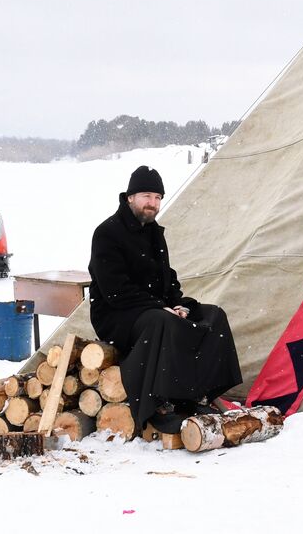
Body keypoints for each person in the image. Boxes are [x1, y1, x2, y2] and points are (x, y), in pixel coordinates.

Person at [88, 166, 242, 434]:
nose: (153, 203)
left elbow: (167, 278)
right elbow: (115, 290)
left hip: (154, 308)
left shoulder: (155, 233)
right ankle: (158, 403)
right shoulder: (107, 233)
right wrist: (162, 308)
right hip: (117, 314)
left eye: (158, 197)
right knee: (162, 322)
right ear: (130, 198)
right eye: (147, 196)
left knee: (212, 315)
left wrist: (178, 304)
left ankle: (200, 394)